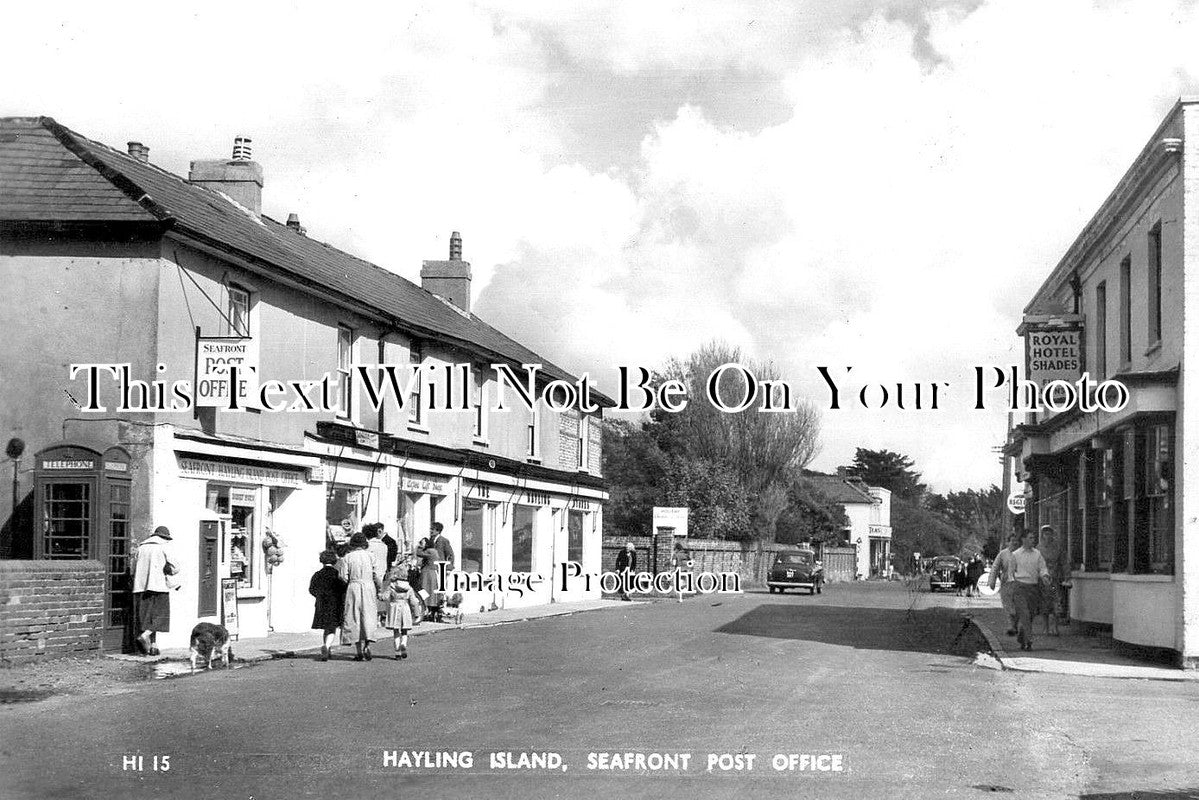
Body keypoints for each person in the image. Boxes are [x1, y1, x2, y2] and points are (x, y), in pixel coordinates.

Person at [132, 525, 178, 656]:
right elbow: (175, 567)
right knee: (160, 616)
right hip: (159, 587)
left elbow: (134, 567)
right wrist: (168, 570)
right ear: (164, 537)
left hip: (141, 587)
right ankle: (145, 635)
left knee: (147, 617)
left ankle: (153, 646)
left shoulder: (141, 547)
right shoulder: (163, 546)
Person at [338, 532, 382, 661]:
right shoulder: (370, 556)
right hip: (368, 586)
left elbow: (343, 576)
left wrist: (350, 581)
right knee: (368, 615)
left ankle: (358, 651)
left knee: (354, 616)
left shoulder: (348, 557)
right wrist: (379, 588)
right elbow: (376, 574)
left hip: (354, 586)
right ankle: (367, 644)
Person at [1011, 527, 1050, 651]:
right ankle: (1029, 641)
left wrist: (1044, 576)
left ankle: (1023, 636)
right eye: (1030, 538)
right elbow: (1010, 573)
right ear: (1023, 539)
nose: (1033, 540)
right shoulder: (1016, 555)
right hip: (1020, 587)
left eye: (1034, 538)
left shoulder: (1037, 554)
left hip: (1033, 587)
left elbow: (1042, 567)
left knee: (1031, 614)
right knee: (1025, 614)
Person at [308, 550, 346, 661]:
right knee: (332, 627)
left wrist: (319, 596)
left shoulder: (317, 574)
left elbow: (312, 589)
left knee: (326, 627)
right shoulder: (337, 574)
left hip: (321, 603)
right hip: (335, 604)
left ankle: (326, 647)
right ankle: (327, 646)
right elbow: (343, 588)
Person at [382, 566, 423, 660]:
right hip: (405, 608)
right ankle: (403, 643)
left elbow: (385, 597)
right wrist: (417, 614)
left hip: (394, 608)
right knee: (404, 630)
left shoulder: (391, 586)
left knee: (396, 631)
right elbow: (414, 602)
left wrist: (379, 595)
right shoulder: (409, 588)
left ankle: (397, 653)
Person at [988, 531, 1022, 636]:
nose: (1014, 543)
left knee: (1017, 607)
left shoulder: (1022, 553)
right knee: (1008, 605)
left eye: (1016, 541)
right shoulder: (1003, 554)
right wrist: (992, 580)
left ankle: (1014, 625)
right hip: (1006, 583)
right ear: (1008, 542)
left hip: (1020, 583)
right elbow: (995, 567)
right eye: (1012, 541)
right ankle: (1012, 626)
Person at [1038, 524, 1066, 636]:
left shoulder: (1058, 548)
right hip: (1043, 581)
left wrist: (1067, 576)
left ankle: (1055, 627)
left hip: (1055, 580)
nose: (1047, 536)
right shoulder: (1038, 548)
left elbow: (1064, 562)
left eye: (1049, 533)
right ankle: (1046, 627)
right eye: (1045, 533)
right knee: (1044, 604)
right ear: (1042, 535)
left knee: (1056, 603)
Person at [428, 522, 455, 621]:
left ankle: (439, 614)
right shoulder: (430, 540)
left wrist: (448, 568)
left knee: (441, 591)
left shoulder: (443, 541)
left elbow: (450, 555)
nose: (430, 531)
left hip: (441, 569)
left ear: (438, 531)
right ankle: (432, 612)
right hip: (432, 569)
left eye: (432, 529)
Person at [417, 536, 442, 621]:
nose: (421, 543)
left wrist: (419, 546)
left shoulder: (429, 551)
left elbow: (419, 554)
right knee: (432, 593)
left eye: (423, 542)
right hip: (433, 573)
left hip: (427, 574)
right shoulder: (434, 551)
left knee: (424, 591)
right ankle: (432, 612)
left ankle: (426, 611)